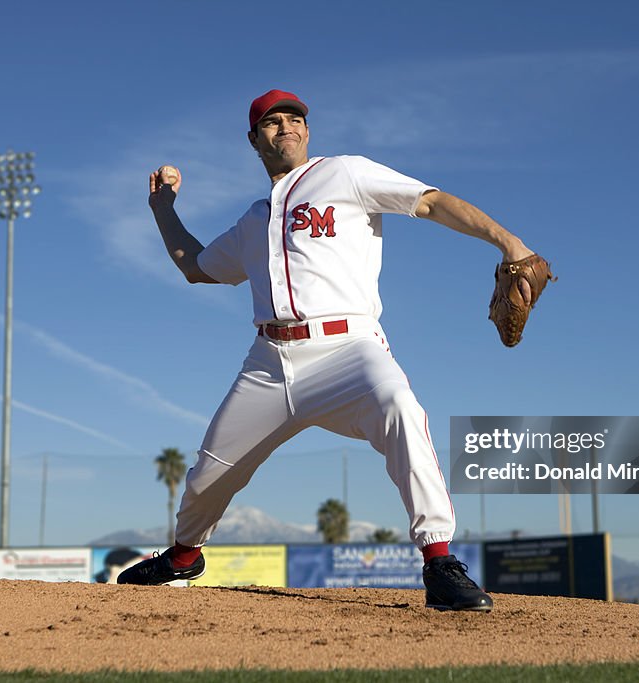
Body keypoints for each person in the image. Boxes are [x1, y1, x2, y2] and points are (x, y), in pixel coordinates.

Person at [119, 89, 538, 611]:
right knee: (210, 473)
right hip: (269, 364)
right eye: (272, 123)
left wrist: (508, 242)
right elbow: (195, 266)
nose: (286, 127)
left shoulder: (345, 174)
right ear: (254, 140)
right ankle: (184, 555)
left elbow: (429, 201)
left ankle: (439, 559)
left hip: (349, 350)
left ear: (308, 132)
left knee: (400, 409)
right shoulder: (252, 221)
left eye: (295, 118)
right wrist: (162, 207)